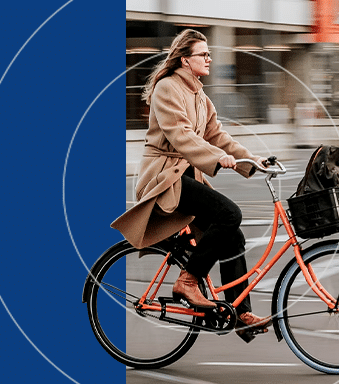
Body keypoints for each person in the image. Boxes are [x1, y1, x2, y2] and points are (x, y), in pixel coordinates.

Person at [111, 29, 271, 342]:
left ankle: (239, 312)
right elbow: (181, 136)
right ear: (185, 60)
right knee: (230, 213)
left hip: (184, 176)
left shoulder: (199, 94)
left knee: (233, 235)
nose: (210, 58)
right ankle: (188, 281)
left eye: (209, 54)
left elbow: (218, 136)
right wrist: (218, 158)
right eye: (203, 54)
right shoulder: (167, 88)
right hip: (164, 176)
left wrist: (253, 160)